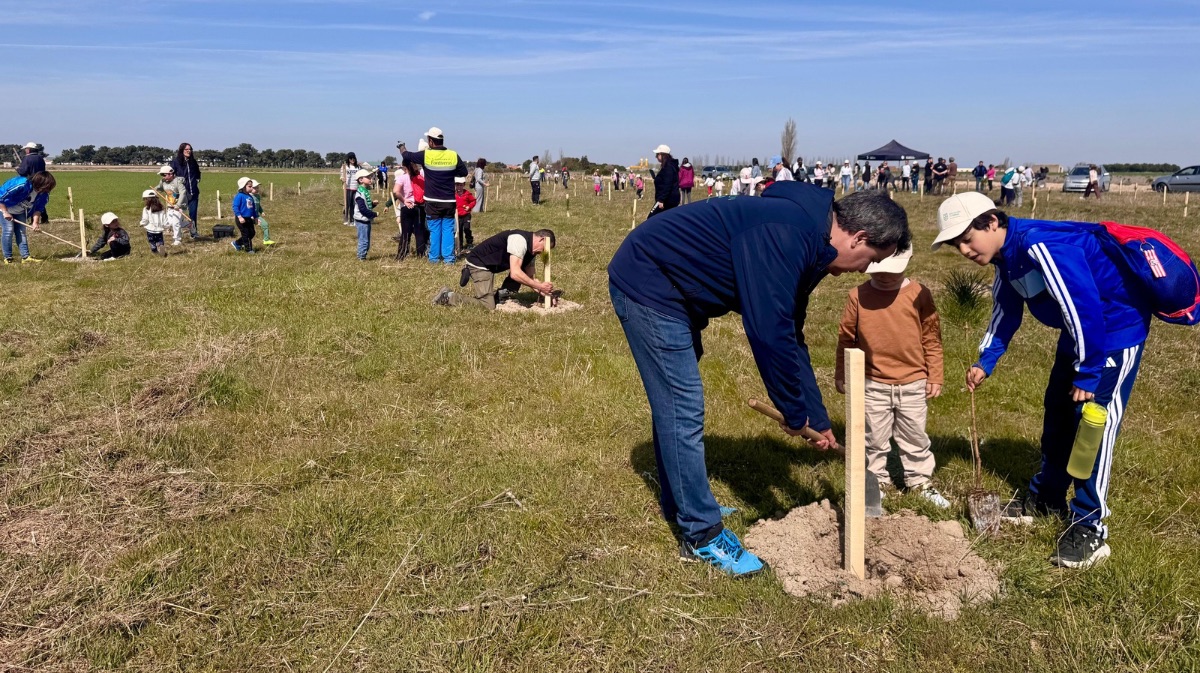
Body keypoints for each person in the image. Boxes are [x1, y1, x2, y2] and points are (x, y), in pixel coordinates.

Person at [607, 185, 911, 576]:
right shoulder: (788, 235)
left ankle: (685, 500)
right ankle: (701, 535)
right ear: (859, 238)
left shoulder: (813, 239)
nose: (865, 270)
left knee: (675, 404)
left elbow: (791, 332)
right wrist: (792, 410)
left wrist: (814, 416)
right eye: (871, 260)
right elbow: (768, 332)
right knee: (681, 406)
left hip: (676, 289)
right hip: (650, 283)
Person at [931, 192, 1158, 568]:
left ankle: (1090, 525)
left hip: (1113, 336)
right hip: (1080, 339)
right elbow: (1006, 310)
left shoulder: (1040, 246)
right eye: (957, 245)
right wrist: (986, 361)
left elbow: (1083, 308)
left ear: (991, 222)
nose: (965, 250)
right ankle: (1046, 497)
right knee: (1057, 413)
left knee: (1092, 428)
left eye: (967, 239)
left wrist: (1088, 372)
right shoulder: (1007, 256)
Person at [835, 248, 948, 507]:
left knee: (915, 436)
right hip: (872, 383)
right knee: (873, 437)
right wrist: (841, 372)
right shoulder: (858, 296)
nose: (885, 275)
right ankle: (877, 481)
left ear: (907, 261)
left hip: (913, 381)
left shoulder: (920, 294)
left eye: (892, 270)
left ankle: (919, 482)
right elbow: (845, 339)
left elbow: (932, 336)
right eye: (879, 269)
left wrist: (935, 374)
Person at [433, 229, 555, 309]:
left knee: (521, 275)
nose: (542, 252)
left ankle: (500, 298)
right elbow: (515, 273)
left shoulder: (532, 252)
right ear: (541, 239)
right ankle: (447, 296)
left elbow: (529, 278)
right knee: (487, 306)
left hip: (492, 266)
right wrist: (539, 286)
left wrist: (544, 291)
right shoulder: (520, 240)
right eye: (544, 248)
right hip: (479, 263)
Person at [399, 127, 469, 264]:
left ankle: (434, 259)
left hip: (432, 201)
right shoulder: (453, 155)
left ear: (430, 141)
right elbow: (464, 172)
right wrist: (448, 174)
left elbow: (407, 156)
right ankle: (449, 259)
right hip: (449, 200)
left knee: (435, 229)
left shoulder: (426, 155)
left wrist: (401, 147)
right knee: (448, 229)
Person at [0, 171, 54, 264]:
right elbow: (1, 196)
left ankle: (25, 257)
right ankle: (8, 258)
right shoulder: (21, 184)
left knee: (22, 232)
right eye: (47, 187)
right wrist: (5, 212)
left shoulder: (43, 194)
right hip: (4, 207)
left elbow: (38, 208)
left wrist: (35, 222)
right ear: (40, 183)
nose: (48, 190)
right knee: (8, 230)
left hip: (20, 211)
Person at [155, 164, 190, 246]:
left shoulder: (177, 181)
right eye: (161, 175)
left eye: (164, 174)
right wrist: (154, 190)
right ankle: (189, 224)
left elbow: (183, 192)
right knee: (170, 223)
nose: (162, 176)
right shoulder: (163, 181)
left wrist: (178, 205)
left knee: (175, 223)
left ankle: (177, 240)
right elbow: (159, 188)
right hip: (170, 205)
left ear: (170, 174)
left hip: (180, 205)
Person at [170, 142, 201, 233]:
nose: (189, 151)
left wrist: (197, 180)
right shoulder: (176, 162)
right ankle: (177, 234)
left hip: (193, 193)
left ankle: (194, 232)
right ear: (182, 150)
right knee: (178, 215)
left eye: (190, 149)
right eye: (187, 149)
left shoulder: (193, 162)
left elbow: (198, 173)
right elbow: (171, 175)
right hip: (181, 194)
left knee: (193, 213)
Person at [392, 159, 419, 260]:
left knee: (405, 232)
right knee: (419, 232)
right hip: (418, 206)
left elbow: (396, 191)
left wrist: (404, 200)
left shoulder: (402, 178)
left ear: (404, 167)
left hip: (406, 207)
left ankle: (402, 254)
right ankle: (421, 253)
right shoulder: (418, 177)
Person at [350, 169, 378, 260]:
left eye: (370, 177)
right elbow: (362, 209)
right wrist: (374, 214)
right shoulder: (360, 193)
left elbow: (366, 206)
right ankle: (361, 257)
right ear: (361, 180)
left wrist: (373, 204)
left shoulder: (365, 191)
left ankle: (363, 256)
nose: (370, 179)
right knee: (364, 240)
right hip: (362, 220)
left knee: (366, 240)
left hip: (366, 220)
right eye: (368, 177)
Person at [648, 144, 680, 217]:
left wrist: (661, 200)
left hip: (667, 200)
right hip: (670, 199)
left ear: (663, 155)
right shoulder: (668, 166)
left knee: (651, 218)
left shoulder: (668, 167)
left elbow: (667, 184)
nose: (656, 156)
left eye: (657, 154)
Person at [139, 189, 170, 257]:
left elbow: (145, 219)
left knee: (152, 241)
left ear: (147, 200)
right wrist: (167, 226)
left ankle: (154, 250)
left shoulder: (146, 209)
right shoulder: (161, 208)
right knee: (159, 239)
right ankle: (160, 245)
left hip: (150, 229)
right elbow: (165, 219)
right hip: (159, 229)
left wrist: (141, 223)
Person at [231, 177, 258, 253]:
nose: (251, 188)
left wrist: (255, 217)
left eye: (252, 186)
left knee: (252, 233)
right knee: (246, 234)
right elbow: (235, 207)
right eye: (249, 186)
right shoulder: (239, 196)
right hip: (241, 218)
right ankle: (248, 249)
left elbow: (253, 208)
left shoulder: (250, 197)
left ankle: (237, 243)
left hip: (249, 218)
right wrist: (239, 216)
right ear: (243, 187)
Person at [454, 176, 477, 252]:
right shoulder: (453, 194)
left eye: (461, 185)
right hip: (457, 216)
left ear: (464, 185)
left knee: (466, 228)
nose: (459, 187)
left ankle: (469, 242)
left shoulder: (467, 193)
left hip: (466, 215)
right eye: (457, 185)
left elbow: (473, 201)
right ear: (455, 185)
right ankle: (459, 245)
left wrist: (469, 207)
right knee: (459, 230)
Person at [339, 153, 360, 226]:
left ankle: (352, 220)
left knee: (354, 205)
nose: (352, 160)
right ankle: (345, 219)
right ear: (348, 159)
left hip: (355, 188)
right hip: (347, 188)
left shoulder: (357, 167)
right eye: (351, 158)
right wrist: (342, 179)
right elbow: (341, 176)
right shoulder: (345, 167)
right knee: (347, 204)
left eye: (353, 158)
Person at [250, 180, 273, 245]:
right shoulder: (248, 197)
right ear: (250, 187)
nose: (257, 189)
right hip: (249, 217)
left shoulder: (258, 196)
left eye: (258, 187)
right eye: (255, 188)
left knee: (265, 225)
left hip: (257, 216)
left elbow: (258, 205)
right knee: (249, 232)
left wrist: (262, 211)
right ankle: (243, 243)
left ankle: (266, 239)